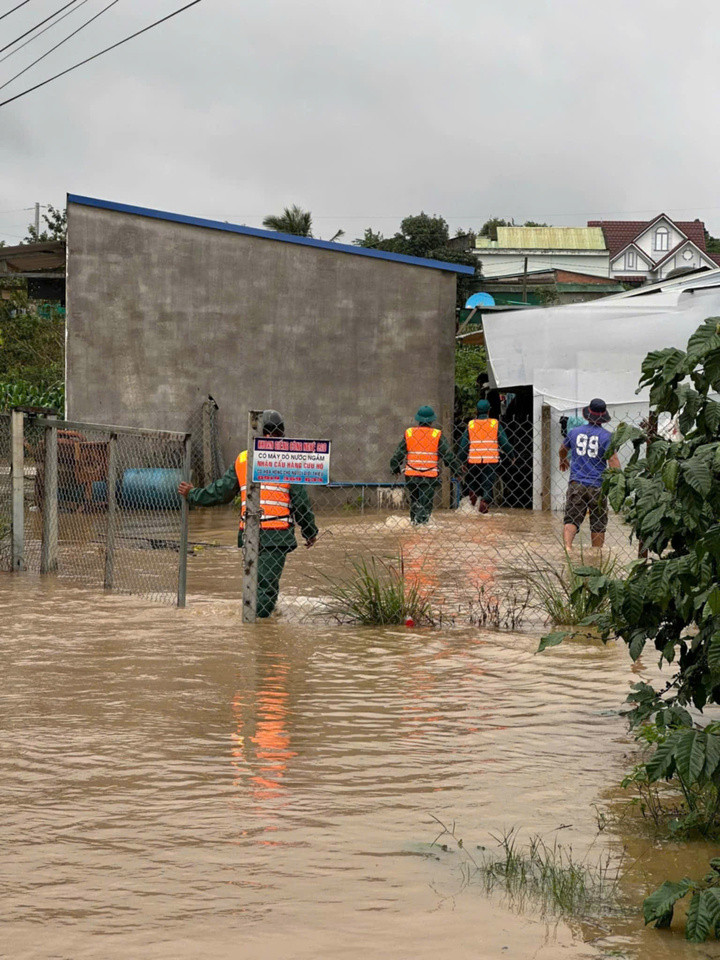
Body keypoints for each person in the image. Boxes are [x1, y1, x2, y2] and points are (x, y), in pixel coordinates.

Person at [178, 409, 318, 618]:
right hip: (276, 536)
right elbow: (300, 503)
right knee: (266, 587)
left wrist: (193, 494)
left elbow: (221, 492)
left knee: (252, 585)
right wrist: (309, 531)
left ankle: (250, 621)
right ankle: (259, 631)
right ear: (277, 435)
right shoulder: (289, 460)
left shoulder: (244, 459)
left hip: (249, 534)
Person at [559, 398, 620, 550]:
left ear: (587, 415)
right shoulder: (607, 436)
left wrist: (563, 460)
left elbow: (562, 448)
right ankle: (596, 553)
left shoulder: (574, 432)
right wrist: (618, 480)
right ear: (603, 417)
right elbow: (613, 460)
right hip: (597, 485)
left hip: (577, 483)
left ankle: (567, 548)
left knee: (571, 518)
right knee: (598, 523)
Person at [390, 405, 461, 524]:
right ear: (432, 420)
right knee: (425, 505)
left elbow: (398, 453)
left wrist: (395, 468)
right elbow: (448, 456)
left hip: (411, 476)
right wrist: (457, 471)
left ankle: (414, 526)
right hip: (429, 476)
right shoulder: (436, 435)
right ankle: (422, 528)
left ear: (418, 419)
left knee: (415, 503)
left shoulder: (410, 433)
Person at [458, 399, 514, 513]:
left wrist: (462, 461)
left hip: (473, 460)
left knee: (472, 482)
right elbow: (505, 443)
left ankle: (472, 498)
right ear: (489, 411)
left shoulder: (471, 424)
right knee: (487, 484)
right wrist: (511, 455)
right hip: (490, 460)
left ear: (476, 411)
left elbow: (463, 446)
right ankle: (485, 503)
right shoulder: (494, 424)